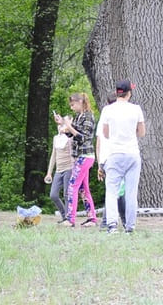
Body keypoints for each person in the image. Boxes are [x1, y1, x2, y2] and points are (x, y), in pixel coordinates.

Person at [102, 79, 145, 233]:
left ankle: (112, 225)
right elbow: (141, 132)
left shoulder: (108, 110)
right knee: (131, 192)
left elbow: (105, 134)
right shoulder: (136, 109)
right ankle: (130, 226)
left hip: (115, 153)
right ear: (129, 93)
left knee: (112, 190)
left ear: (117, 92)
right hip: (132, 153)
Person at [63, 92, 97, 227]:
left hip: (86, 156)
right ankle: (92, 218)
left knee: (72, 186)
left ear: (80, 102)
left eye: (73, 105)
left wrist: (69, 125)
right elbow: (71, 133)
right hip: (79, 156)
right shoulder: (78, 117)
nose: (72, 108)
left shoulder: (88, 117)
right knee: (83, 189)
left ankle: (70, 218)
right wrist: (64, 125)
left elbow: (82, 137)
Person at [96, 92, 126, 230]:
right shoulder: (116, 120)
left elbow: (98, 143)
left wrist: (99, 163)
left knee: (116, 190)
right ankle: (109, 220)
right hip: (114, 157)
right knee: (116, 191)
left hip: (106, 158)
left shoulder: (104, 118)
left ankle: (116, 219)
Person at [44, 115, 74, 222]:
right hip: (59, 170)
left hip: (69, 168)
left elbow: (69, 129)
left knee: (67, 194)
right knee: (53, 195)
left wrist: (64, 124)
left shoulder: (70, 137)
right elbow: (53, 155)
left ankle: (68, 218)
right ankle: (64, 215)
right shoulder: (56, 138)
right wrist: (49, 173)